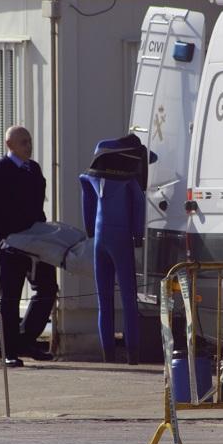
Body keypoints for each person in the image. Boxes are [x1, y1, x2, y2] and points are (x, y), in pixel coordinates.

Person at [0, 126, 58, 367]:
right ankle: (9, 351)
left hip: (35, 239)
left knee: (47, 288)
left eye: (29, 141)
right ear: (10, 145)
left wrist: (43, 232)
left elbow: (37, 205)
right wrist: (4, 235)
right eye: (23, 142)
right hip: (10, 242)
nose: (28, 145)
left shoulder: (33, 169)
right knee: (10, 297)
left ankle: (26, 339)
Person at [79, 134, 150, 364]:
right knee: (129, 299)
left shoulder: (91, 178)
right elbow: (139, 204)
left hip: (99, 239)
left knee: (104, 300)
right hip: (121, 239)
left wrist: (90, 230)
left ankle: (107, 355)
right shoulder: (128, 179)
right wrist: (138, 235)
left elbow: (86, 202)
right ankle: (133, 355)